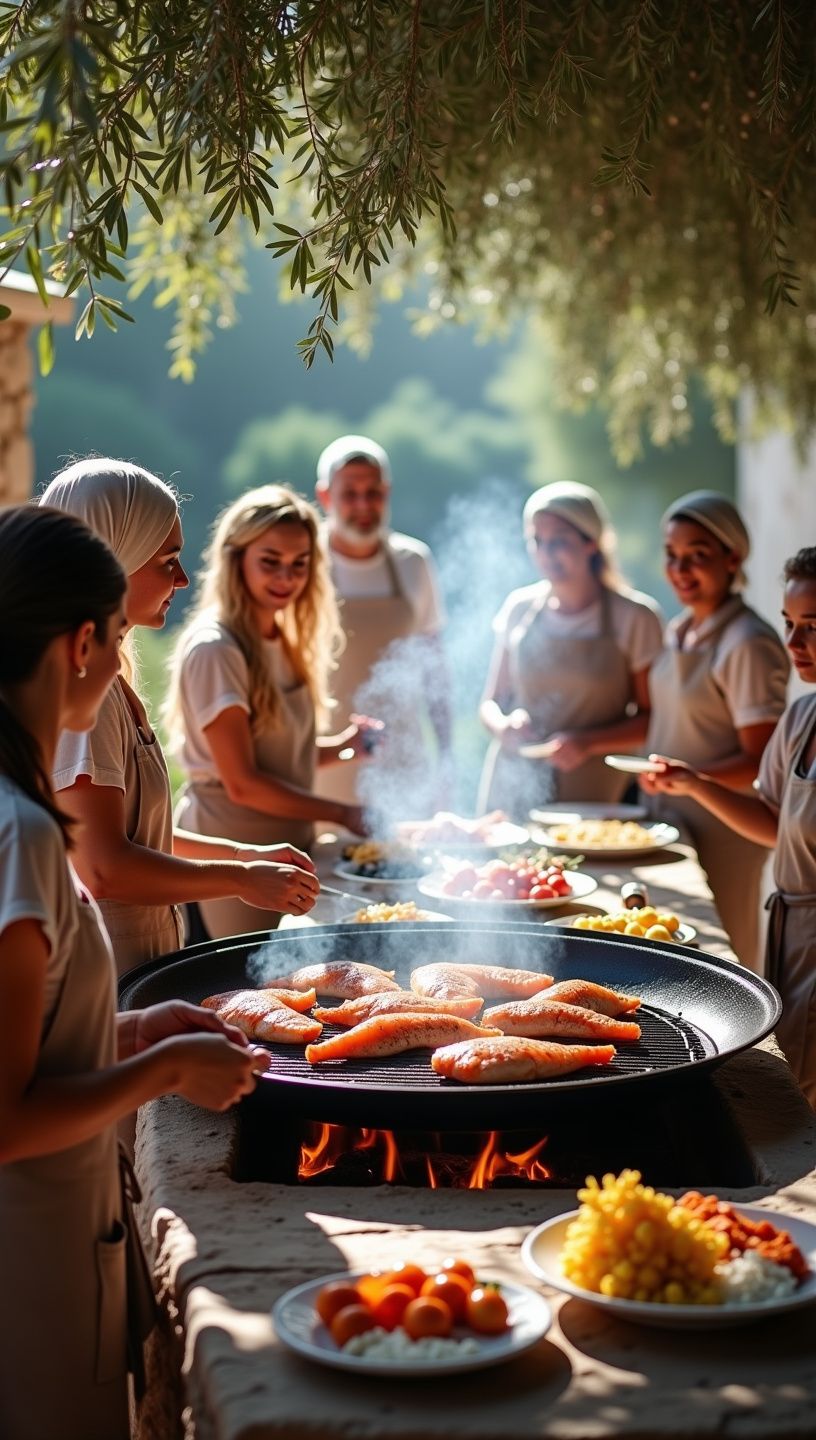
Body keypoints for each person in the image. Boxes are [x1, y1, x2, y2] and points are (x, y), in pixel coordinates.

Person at [0, 504, 271, 1440]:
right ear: (81, 642)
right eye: (115, 639)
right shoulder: (25, 833)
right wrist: (158, 1073)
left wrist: (136, 1032)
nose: (122, 662)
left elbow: (29, 1044)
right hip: (28, 1261)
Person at [42, 459, 320, 973]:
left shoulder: (109, 678)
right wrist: (240, 881)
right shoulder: (85, 691)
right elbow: (102, 866)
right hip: (102, 979)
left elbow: (139, 834)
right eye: (166, 560)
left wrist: (242, 855)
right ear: (113, 561)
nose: (184, 577)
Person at [166, 484, 380, 940]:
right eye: (270, 561)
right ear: (234, 557)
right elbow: (243, 782)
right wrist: (343, 813)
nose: (286, 576)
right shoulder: (216, 648)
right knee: (243, 994)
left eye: (299, 564)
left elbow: (279, 755)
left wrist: (344, 748)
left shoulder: (281, 637)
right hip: (234, 857)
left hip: (287, 851)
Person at [643, 547, 816, 1104]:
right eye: (790, 624)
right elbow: (774, 822)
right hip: (789, 933)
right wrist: (696, 784)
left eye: (813, 628)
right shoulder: (801, 718)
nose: (793, 645)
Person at [641, 490, 790, 972]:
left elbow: (760, 762)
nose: (681, 569)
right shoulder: (681, 628)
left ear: (733, 557)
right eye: (673, 555)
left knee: (726, 956)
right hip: (674, 818)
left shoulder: (748, 642)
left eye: (697, 556)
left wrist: (691, 778)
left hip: (727, 829)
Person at [478, 481, 664, 817]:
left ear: (592, 542)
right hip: (512, 783)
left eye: (559, 541)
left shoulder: (635, 617)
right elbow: (491, 702)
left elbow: (655, 720)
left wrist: (586, 742)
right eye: (537, 541)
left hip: (594, 793)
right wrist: (504, 726)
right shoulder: (519, 608)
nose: (546, 553)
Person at [314, 434, 452, 814]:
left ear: (387, 492)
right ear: (325, 497)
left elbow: (434, 667)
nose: (363, 505)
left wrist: (447, 756)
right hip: (324, 756)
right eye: (349, 493)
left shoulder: (413, 561)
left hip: (404, 754)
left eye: (373, 492)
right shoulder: (303, 563)